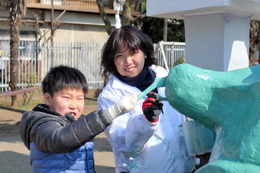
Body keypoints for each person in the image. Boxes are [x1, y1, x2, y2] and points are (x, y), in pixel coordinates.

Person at [98, 24, 197, 173]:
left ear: (145, 52)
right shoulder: (109, 96)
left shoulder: (162, 74)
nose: (128, 61)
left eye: (133, 52)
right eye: (120, 56)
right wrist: (147, 120)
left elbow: (180, 119)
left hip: (185, 168)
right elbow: (123, 144)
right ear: (112, 60)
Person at [19, 65, 137, 173]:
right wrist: (110, 113)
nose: (74, 105)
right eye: (67, 97)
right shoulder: (40, 124)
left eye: (79, 98)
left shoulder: (78, 126)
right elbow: (60, 140)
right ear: (48, 98)